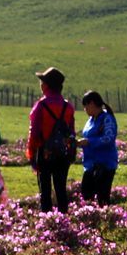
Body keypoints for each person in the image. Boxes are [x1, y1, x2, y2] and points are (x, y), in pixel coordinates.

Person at [27, 67, 78, 212]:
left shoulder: (41, 106)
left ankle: (47, 223)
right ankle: (63, 220)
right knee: (61, 190)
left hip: (45, 152)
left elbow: (34, 133)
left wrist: (32, 154)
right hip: (63, 153)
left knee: (45, 191)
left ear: (46, 85)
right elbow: (71, 132)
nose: (41, 85)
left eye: (42, 82)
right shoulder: (68, 107)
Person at [77, 89, 119, 205]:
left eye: (85, 106)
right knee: (86, 193)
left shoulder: (107, 119)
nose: (85, 110)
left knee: (102, 196)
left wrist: (89, 142)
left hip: (105, 163)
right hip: (91, 164)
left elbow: (109, 138)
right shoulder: (91, 120)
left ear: (91, 103)